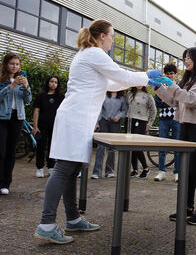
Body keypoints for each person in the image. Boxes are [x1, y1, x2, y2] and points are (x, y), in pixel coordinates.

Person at [33, 19, 161, 244]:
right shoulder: (94, 53)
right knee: (63, 169)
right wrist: (147, 76)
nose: (112, 41)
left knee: (71, 170)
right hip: (75, 118)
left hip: (77, 118)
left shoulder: (87, 54)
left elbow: (111, 84)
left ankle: (72, 219)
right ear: (102, 36)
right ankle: (46, 224)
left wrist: (144, 78)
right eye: (112, 36)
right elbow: (121, 76)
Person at [153, 46, 196, 225]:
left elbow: (191, 99)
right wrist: (158, 86)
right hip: (185, 125)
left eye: (189, 57)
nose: (185, 60)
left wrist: (170, 84)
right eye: (185, 57)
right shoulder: (187, 79)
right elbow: (174, 101)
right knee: (187, 170)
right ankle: (187, 208)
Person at [0, 52, 32, 195]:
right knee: (1, 152)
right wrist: (11, 85)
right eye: (12, 63)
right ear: (6, 64)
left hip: (17, 118)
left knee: (11, 152)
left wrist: (25, 87)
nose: (15, 66)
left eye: (17, 64)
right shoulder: (2, 79)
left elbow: (28, 100)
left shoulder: (22, 80)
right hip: (2, 118)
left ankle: (6, 183)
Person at [32, 75, 64, 178]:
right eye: (51, 81)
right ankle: (40, 168)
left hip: (55, 126)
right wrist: (35, 126)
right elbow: (36, 111)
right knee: (41, 147)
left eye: (55, 82)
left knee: (52, 147)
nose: (53, 84)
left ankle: (51, 167)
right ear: (47, 82)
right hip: (42, 125)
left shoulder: (61, 97)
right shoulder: (40, 96)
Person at [91, 91, 127, 179]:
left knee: (112, 148)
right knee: (101, 147)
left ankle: (109, 171)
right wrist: (96, 122)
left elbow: (124, 111)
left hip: (115, 123)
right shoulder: (104, 96)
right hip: (104, 122)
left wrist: (118, 116)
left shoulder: (122, 98)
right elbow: (99, 110)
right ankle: (96, 172)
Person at [154, 63, 180, 182]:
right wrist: (171, 102)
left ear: (175, 74)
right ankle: (161, 171)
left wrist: (166, 100)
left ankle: (177, 172)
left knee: (177, 146)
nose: (170, 76)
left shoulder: (178, 86)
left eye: (172, 73)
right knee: (162, 146)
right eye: (168, 73)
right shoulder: (160, 86)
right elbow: (158, 103)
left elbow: (179, 101)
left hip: (176, 119)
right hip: (163, 119)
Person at [126, 86, 156, 179]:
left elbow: (153, 110)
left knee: (137, 146)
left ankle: (145, 168)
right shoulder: (129, 94)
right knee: (130, 146)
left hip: (142, 121)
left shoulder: (148, 96)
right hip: (130, 121)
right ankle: (134, 169)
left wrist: (150, 123)